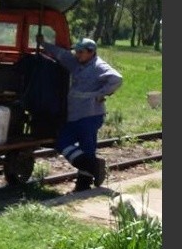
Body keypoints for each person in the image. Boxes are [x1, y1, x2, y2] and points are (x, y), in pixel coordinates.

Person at [36, 34, 123, 192]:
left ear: (91, 52)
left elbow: (117, 79)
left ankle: (83, 185)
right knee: (62, 141)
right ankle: (93, 166)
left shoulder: (99, 66)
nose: (77, 55)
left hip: (91, 115)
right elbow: (61, 54)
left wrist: (101, 93)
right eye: (77, 51)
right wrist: (43, 44)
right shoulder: (76, 63)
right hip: (75, 115)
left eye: (81, 52)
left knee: (87, 148)